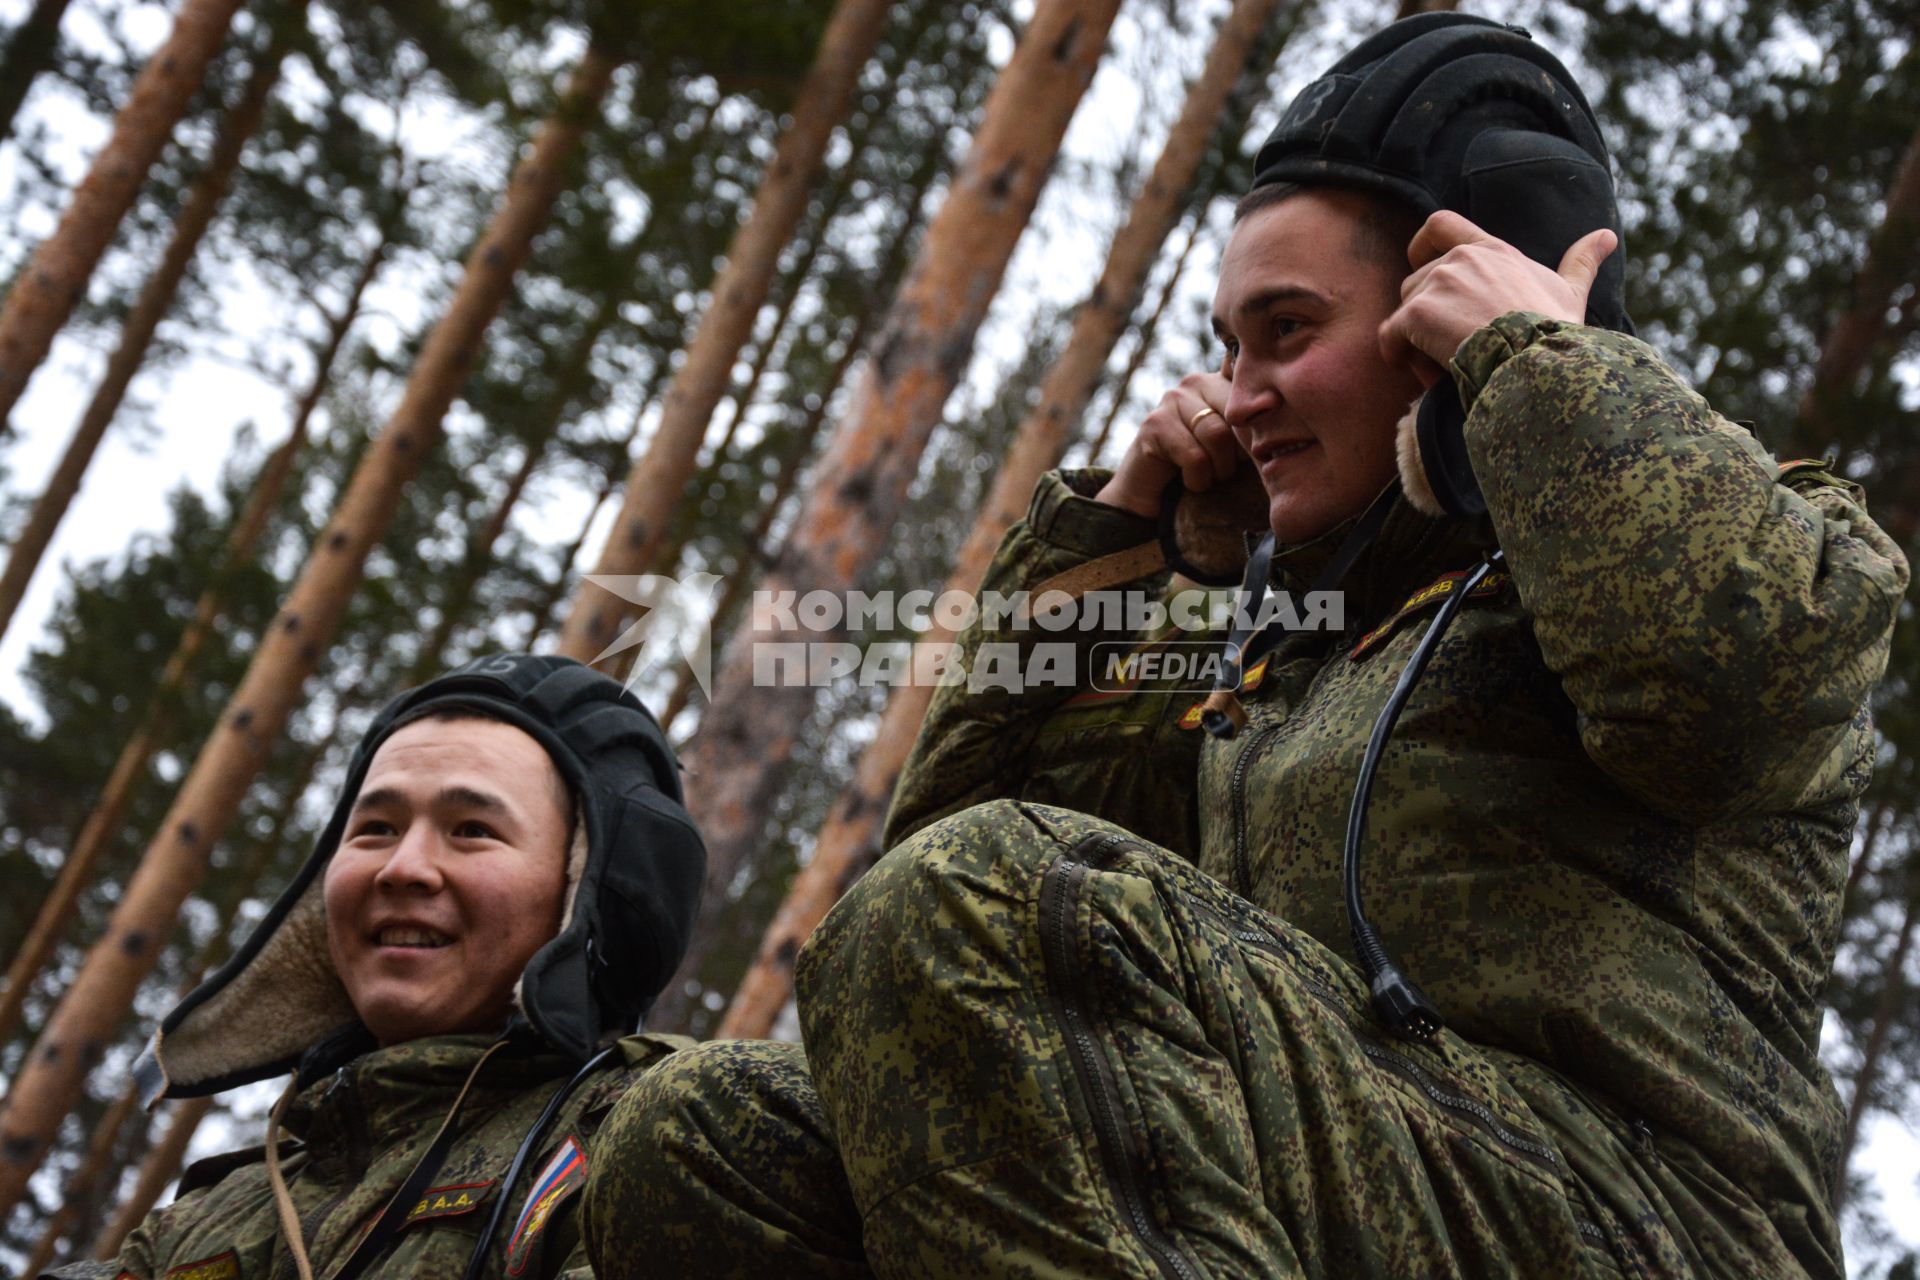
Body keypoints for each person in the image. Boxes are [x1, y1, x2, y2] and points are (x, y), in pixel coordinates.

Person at [587, 14, 1907, 1279]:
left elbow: (1725, 692)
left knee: (992, 898)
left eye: (1287, 332)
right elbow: (939, 925)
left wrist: (1542, 363)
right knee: (707, 1143)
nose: (1238, 392)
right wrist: (1130, 540)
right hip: (1323, 1190)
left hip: (1636, 1228)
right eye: (1227, 345)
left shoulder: (1765, 544)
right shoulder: (1286, 663)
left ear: (1469, 306)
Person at [47, 654, 717, 1280]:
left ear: (593, 893)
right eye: (376, 829)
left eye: (472, 830)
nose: (403, 869)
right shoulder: (211, 1220)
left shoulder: (659, 1141)